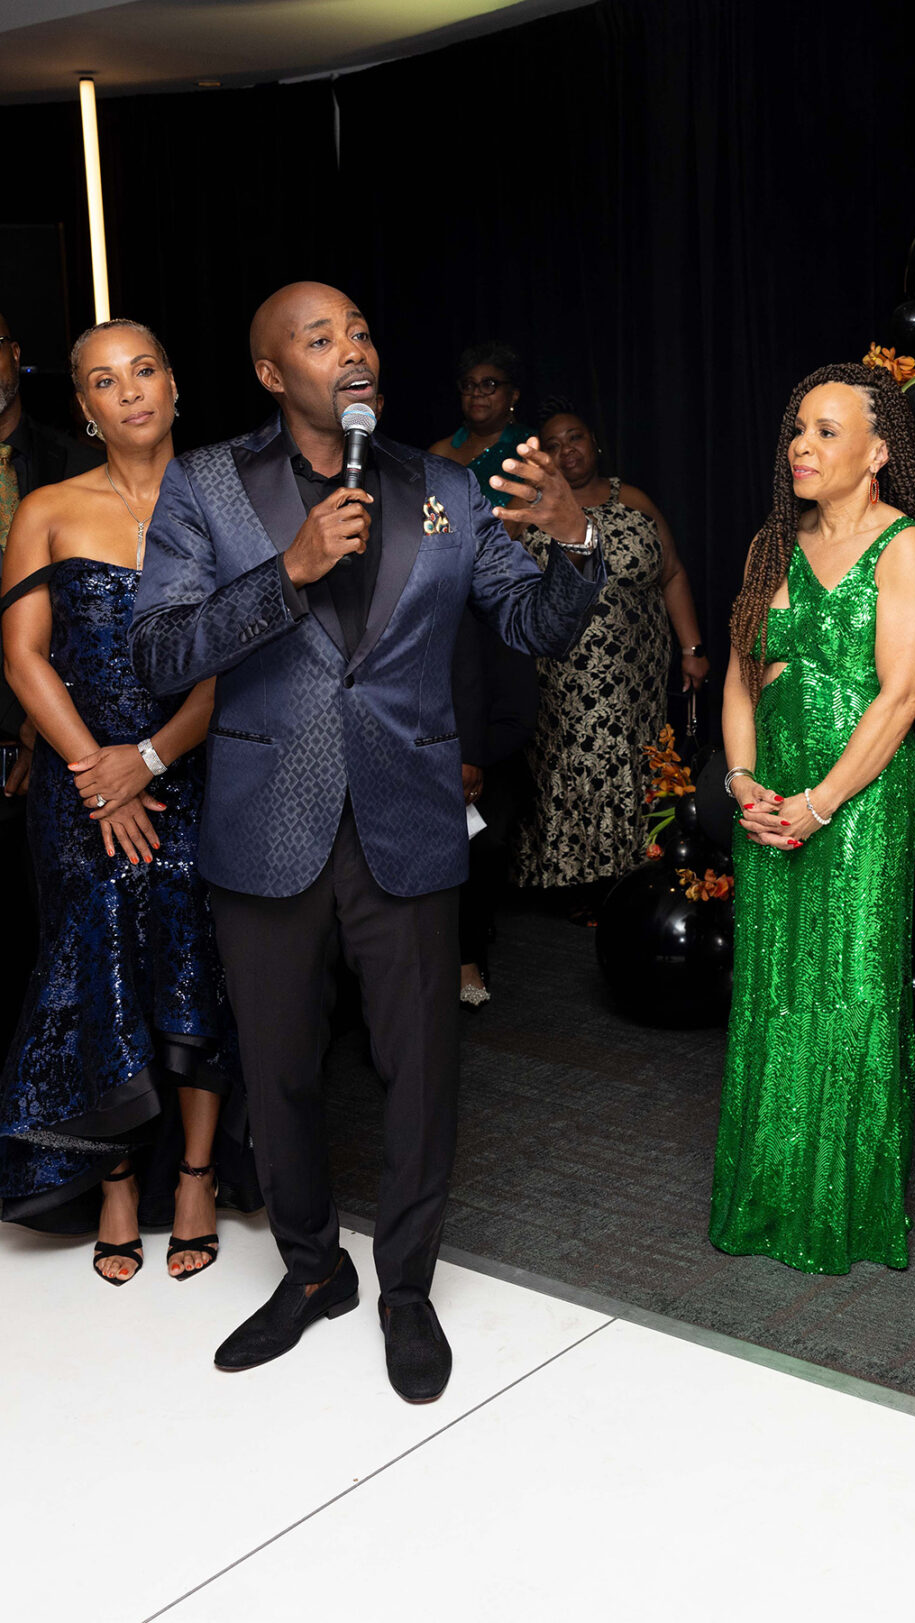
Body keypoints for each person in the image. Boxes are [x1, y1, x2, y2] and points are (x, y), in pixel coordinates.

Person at [130, 283, 604, 1402]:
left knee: (420, 1073)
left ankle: (403, 1288)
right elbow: (158, 653)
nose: (353, 350)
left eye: (362, 332)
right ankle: (309, 1274)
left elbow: (531, 623)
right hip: (266, 824)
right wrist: (284, 574)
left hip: (406, 820)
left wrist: (579, 543)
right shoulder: (205, 485)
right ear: (268, 369)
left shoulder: (441, 486)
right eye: (320, 337)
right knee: (282, 1071)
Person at [0, 319, 257, 1281]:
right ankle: (114, 1178)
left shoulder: (228, 509)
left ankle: (194, 1175)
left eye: (146, 368)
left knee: (199, 956)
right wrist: (97, 774)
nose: (132, 390)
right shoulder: (51, 507)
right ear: (85, 406)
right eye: (106, 380)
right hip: (79, 787)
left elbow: (238, 653)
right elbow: (23, 652)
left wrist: (145, 762)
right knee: (98, 958)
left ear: (175, 384)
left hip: (197, 769)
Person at [712, 364, 915, 1273]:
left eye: (827, 431)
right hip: (770, 800)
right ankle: (767, 1192)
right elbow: (740, 677)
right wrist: (741, 782)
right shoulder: (770, 544)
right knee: (772, 989)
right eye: (797, 430)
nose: (803, 447)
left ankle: (839, 1207)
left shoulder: (905, 548)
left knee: (848, 989)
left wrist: (819, 803)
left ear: (878, 452)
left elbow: (902, 696)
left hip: (855, 803)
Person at [512, 406, 711, 909]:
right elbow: (498, 584)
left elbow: (672, 573)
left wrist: (691, 648)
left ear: (595, 442)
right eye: (552, 444)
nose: (566, 451)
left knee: (634, 762)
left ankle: (632, 874)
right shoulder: (526, 506)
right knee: (576, 763)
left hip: (636, 672)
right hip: (560, 675)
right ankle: (574, 882)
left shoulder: (634, 499)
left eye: (574, 438)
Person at [1, 304, 104, 1048]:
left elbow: (86, 619)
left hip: (55, 723)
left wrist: (42, 725)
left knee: (46, 923)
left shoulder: (68, 462)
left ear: (15, 357)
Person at [452, 606, 537, 1005]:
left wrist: (470, 759)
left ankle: (467, 957)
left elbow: (517, 717)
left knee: (480, 842)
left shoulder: (494, 612)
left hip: (488, 757)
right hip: (415, 754)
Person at [427, 340, 530, 507]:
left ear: (514, 395)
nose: (476, 392)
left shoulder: (530, 447)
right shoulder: (440, 452)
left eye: (489, 384)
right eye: (469, 385)